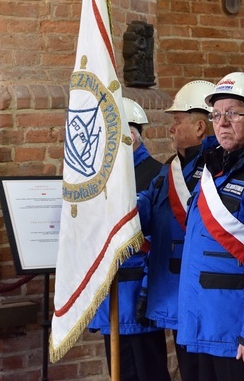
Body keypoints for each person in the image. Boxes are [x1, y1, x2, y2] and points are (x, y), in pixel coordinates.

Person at [176, 72, 244, 381]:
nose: (222, 122)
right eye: (217, 114)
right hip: (198, 322)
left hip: (231, 330)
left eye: (234, 113)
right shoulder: (211, 169)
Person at [136, 80, 217, 372]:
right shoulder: (169, 168)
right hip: (173, 288)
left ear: (199, 128)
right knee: (188, 368)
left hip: (203, 290)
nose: (171, 128)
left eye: (177, 121)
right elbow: (145, 210)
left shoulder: (217, 166)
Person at [89, 97, 168, 381]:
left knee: (148, 371)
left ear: (130, 136)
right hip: (112, 291)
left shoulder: (156, 175)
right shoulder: (107, 178)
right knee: (120, 370)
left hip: (137, 293)